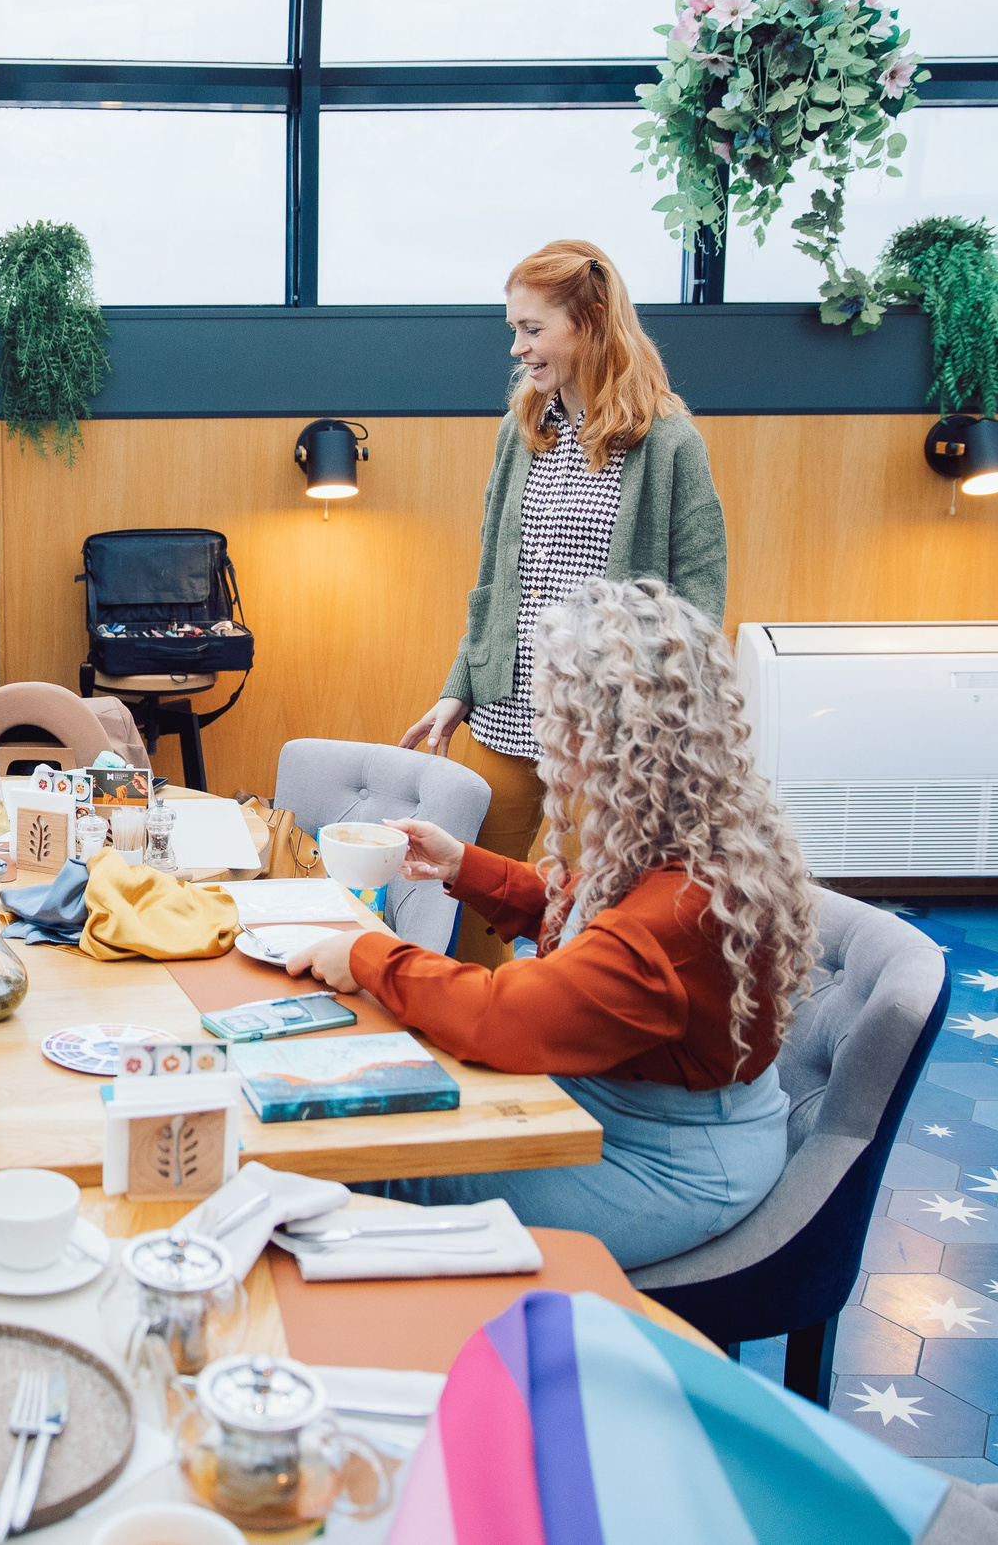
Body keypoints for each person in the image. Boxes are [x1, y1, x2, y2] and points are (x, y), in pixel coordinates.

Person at [298, 580, 818, 1270]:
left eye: (556, 719)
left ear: (609, 738)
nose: (546, 743)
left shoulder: (680, 912)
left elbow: (507, 1019)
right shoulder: (688, 833)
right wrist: (465, 864)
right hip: (621, 1106)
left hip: (666, 1164)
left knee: (391, 1168)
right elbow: (588, 919)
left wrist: (369, 954)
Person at [401, 239, 728, 970]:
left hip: (611, 731)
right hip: (509, 711)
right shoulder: (523, 432)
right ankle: (477, 1034)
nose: (517, 347)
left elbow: (701, 603)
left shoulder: (668, 441)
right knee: (471, 893)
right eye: (514, 329)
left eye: (532, 328)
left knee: (597, 914)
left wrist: (667, 720)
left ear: (591, 323)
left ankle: (578, 1063)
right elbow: (493, 580)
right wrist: (460, 686)